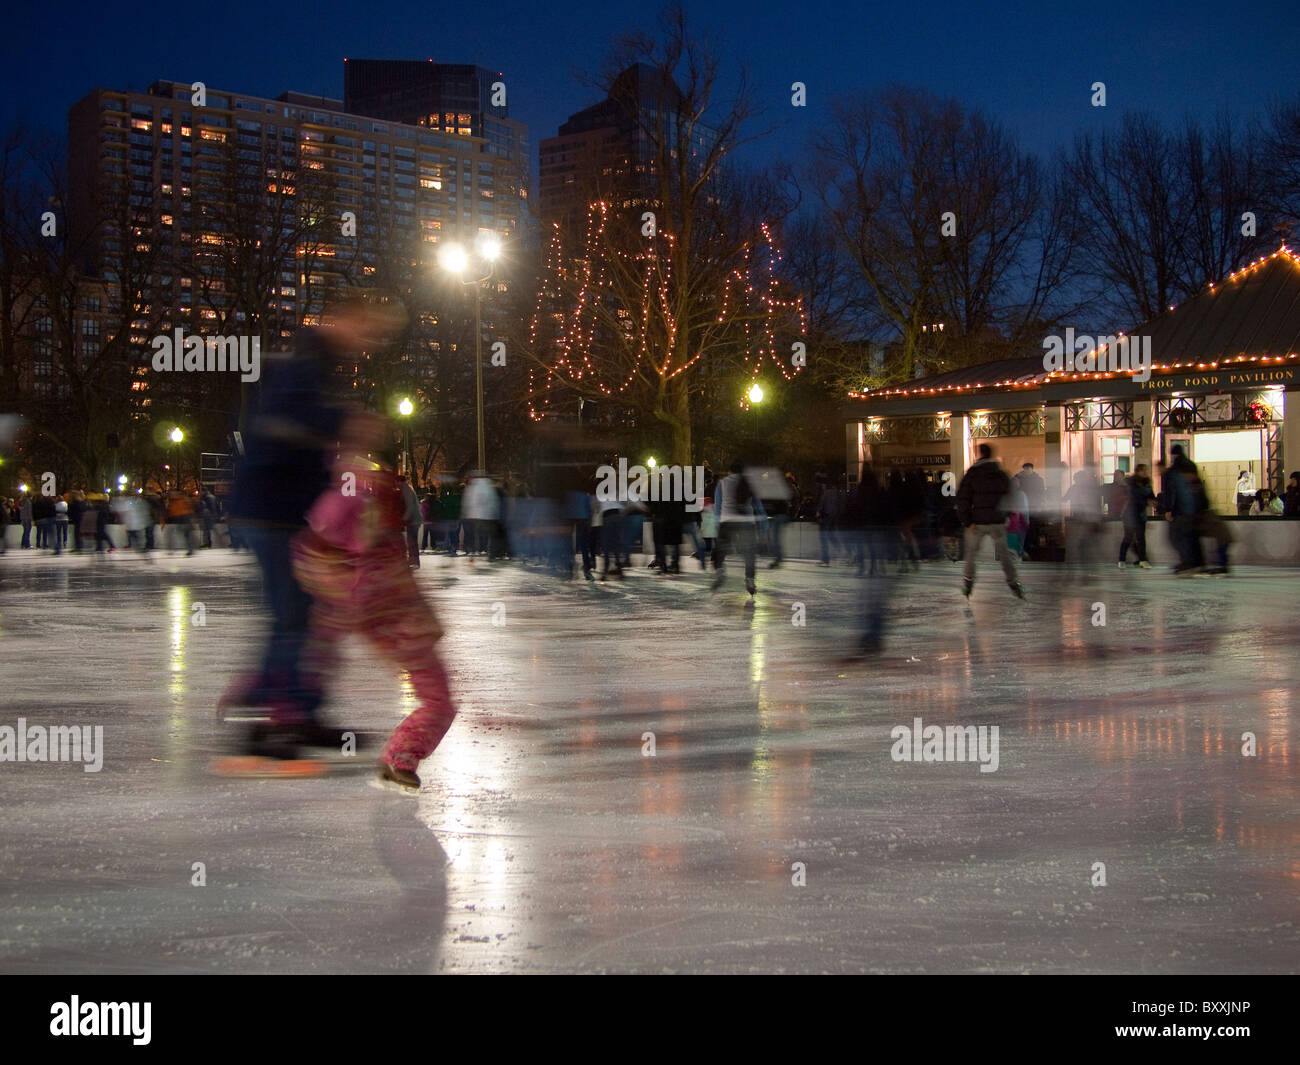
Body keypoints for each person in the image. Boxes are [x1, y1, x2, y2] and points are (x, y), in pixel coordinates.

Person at [222, 297, 393, 747]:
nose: (367, 339)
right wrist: (346, 420)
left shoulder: (318, 364)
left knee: (304, 614)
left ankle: (288, 703)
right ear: (339, 319)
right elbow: (281, 421)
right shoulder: (304, 361)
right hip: (270, 511)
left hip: (284, 511)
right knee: (293, 615)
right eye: (365, 326)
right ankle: (279, 716)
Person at [293, 412, 456, 790]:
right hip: (391, 609)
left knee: (439, 698)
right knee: (440, 700)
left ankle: (398, 757)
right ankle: (400, 755)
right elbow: (338, 540)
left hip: (389, 606)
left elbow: (330, 544)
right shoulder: (359, 489)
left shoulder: (357, 485)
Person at [955, 444, 1025, 600]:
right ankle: (1013, 582)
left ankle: (968, 582)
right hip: (997, 521)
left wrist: (967, 521)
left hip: (977, 523)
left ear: (979, 454)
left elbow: (962, 499)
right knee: (1004, 554)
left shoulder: (972, 475)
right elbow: (1011, 496)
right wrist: (1005, 515)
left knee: (971, 554)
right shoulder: (1000, 474)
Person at [712, 460, 758, 596]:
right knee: (749, 553)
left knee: (720, 551)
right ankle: (750, 579)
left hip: (727, 520)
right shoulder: (749, 482)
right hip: (746, 522)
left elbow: (718, 504)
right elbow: (757, 503)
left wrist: (717, 523)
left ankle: (720, 571)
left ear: (730, 470)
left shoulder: (723, 482)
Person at [1164, 445, 1207, 574]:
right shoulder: (1191, 466)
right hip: (1194, 509)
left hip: (1181, 510)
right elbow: (1200, 488)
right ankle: (1198, 562)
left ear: (1173, 455)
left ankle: (1188, 562)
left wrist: (1168, 509)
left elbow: (1172, 491)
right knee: (1192, 536)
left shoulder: (1175, 470)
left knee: (1178, 537)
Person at [1118, 465, 1155, 568]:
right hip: (1130, 515)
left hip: (1140, 514)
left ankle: (1142, 560)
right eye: (1142, 471)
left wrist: (1152, 500)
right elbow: (1135, 497)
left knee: (1140, 538)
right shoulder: (1132, 484)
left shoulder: (1146, 483)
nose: (1144, 473)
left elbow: (1150, 495)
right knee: (1128, 537)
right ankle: (1122, 559)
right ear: (1138, 472)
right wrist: (1147, 500)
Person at [397, 474, 421, 568]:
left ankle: (414, 561)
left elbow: (409, 506)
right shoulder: (408, 488)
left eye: (396, 482)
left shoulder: (406, 490)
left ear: (399, 481)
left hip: (413, 520)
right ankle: (413, 561)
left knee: (412, 541)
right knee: (412, 541)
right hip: (414, 520)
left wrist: (404, 519)